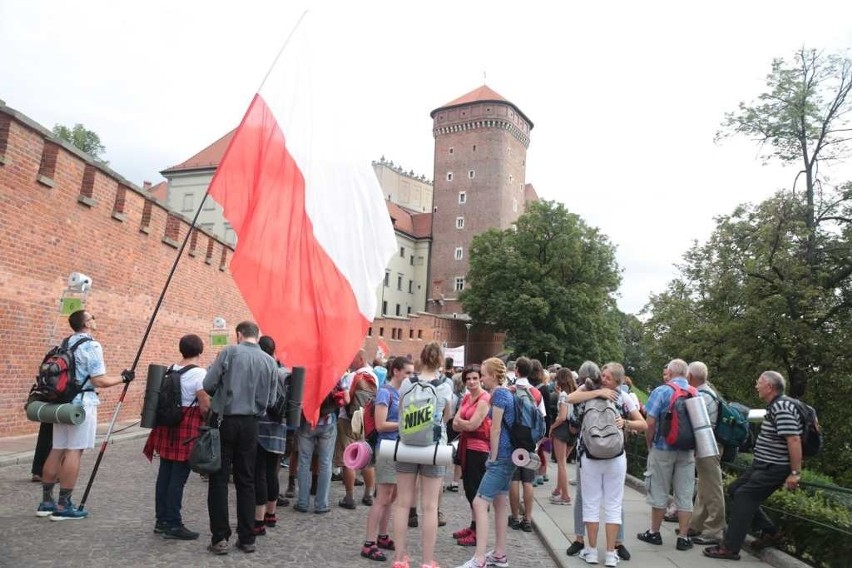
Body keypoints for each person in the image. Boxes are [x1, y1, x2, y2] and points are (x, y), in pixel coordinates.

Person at [37, 310, 134, 520]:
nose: (95, 321)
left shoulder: (65, 343)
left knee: (57, 449)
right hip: (81, 405)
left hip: (61, 405)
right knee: (74, 451)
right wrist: (123, 377)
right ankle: (63, 506)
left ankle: (46, 502)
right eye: (93, 318)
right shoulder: (91, 345)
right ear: (87, 323)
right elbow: (99, 380)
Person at [704, 371, 805, 561]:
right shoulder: (775, 405)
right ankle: (772, 532)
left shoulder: (782, 406)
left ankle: (730, 548)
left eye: (759, 382)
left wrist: (795, 473)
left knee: (744, 496)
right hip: (762, 463)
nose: (756, 386)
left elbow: (793, 439)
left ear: (769, 386)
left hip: (774, 466)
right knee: (735, 489)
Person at [203, 321, 277, 555]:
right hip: (252, 423)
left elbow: (208, 384)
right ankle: (247, 538)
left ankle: (220, 537)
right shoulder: (269, 361)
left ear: (238, 335)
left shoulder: (230, 352)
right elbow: (273, 399)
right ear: (257, 335)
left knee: (219, 478)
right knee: (246, 480)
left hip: (225, 419)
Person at [568, 362, 646, 567]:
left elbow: (570, 404)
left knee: (591, 503)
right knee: (612, 503)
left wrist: (626, 423)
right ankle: (610, 554)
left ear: (618, 381)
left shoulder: (594, 392)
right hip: (615, 456)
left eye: (608, 377)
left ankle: (592, 551)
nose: (603, 379)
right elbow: (644, 424)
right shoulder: (619, 396)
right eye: (602, 375)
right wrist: (599, 393)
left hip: (590, 455)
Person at [391, 342, 453, 568]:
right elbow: (447, 417)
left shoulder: (407, 382)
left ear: (421, 358)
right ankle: (427, 562)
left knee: (402, 504)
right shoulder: (445, 385)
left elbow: (400, 411)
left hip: (406, 446)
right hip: (433, 448)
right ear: (440, 361)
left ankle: (399, 559)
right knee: (430, 507)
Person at [143, 333, 210, 540]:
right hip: (186, 428)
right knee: (177, 479)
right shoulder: (200, 374)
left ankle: (161, 520)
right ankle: (173, 523)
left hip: (167, 428)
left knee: (165, 475)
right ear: (200, 351)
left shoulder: (170, 369)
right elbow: (205, 406)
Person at [454, 358, 515, 568]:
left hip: (500, 457)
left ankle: (479, 558)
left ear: (493, 375)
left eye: (484, 374)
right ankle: (499, 554)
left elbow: (495, 429)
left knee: (480, 503)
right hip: (509, 457)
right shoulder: (507, 392)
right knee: (499, 503)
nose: (481, 378)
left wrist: (493, 456)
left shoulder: (498, 394)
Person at [638, 358, 696, 551]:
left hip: (663, 448)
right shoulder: (695, 393)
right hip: (687, 450)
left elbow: (651, 422)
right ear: (687, 375)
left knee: (659, 490)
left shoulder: (661, 391)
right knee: (685, 493)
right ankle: (683, 537)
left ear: (669, 374)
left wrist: (650, 444)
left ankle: (654, 533)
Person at [361, 356, 413, 561]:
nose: (411, 376)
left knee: (392, 497)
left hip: (399, 447)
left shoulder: (402, 393)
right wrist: (405, 424)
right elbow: (381, 425)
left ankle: (382, 536)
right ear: (396, 371)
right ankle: (369, 543)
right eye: (407, 372)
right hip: (387, 448)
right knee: (382, 498)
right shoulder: (385, 392)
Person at [685, 361, 726, 545]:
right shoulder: (709, 392)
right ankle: (697, 524)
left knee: (712, 488)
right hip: (710, 445)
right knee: (704, 487)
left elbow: (701, 425)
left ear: (691, 377)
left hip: (709, 446)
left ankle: (714, 530)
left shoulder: (702, 395)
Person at [451, 364, 491, 547]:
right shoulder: (467, 397)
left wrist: (463, 423)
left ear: (481, 378)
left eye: (475, 378)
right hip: (466, 447)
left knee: (476, 490)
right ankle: (473, 526)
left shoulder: (484, 398)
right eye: (468, 379)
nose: (471, 382)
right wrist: (463, 423)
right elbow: (454, 424)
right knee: (468, 489)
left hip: (479, 449)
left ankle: (478, 532)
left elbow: (473, 425)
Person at [253, 336, 288, 536]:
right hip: (279, 428)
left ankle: (258, 520)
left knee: (259, 473)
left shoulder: (261, 369)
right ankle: (271, 514)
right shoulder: (285, 373)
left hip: (260, 427)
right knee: (272, 473)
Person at [337, 349, 378, 510]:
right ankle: (368, 494)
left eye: (352, 360)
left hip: (348, 421)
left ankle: (349, 497)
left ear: (360, 359)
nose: (350, 363)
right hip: (366, 422)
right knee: (366, 458)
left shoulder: (351, 377)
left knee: (349, 459)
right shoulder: (375, 376)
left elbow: (345, 400)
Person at [507, 356, 545, 532]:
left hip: (513, 442)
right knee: (528, 481)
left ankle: (514, 517)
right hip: (530, 443)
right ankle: (528, 519)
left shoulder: (511, 391)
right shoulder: (536, 394)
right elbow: (542, 419)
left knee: (514, 480)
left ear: (516, 371)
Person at [549, 368, 575, 506]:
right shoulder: (576, 393)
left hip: (562, 429)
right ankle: (558, 490)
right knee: (563, 461)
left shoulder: (564, 395)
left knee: (561, 464)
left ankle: (565, 495)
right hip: (573, 430)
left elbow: (563, 416)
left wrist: (552, 427)